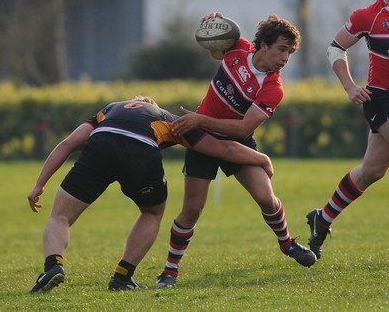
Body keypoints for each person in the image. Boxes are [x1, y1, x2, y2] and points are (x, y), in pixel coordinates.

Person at [27, 96, 275, 293]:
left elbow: (67, 144)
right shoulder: (167, 117)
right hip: (140, 150)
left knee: (60, 215)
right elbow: (225, 150)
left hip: (100, 145)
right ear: (151, 105)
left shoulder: (110, 109)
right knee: (152, 212)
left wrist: (39, 184)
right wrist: (262, 158)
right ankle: (122, 277)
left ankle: (53, 265)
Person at [155, 13, 317, 289]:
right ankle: (169, 272)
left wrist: (200, 119)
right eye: (282, 49)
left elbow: (243, 129)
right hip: (202, 141)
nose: (285, 58)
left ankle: (287, 243)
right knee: (192, 209)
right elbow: (215, 50)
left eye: (289, 52)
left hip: (235, 141)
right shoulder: (239, 47)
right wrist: (212, 26)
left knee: (266, 198)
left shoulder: (273, 88)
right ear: (263, 45)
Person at [306, 0, 389, 259]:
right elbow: (335, 48)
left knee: (372, 171)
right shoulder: (368, 16)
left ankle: (323, 217)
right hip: (381, 100)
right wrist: (350, 87)